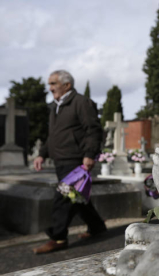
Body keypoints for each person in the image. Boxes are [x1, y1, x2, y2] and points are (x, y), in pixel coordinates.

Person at [32, 70, 106, 254]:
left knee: (63, 197)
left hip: (75, 159)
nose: (50, 88)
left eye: (53, 83)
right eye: (49, 84)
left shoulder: (81, 102)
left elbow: (93, 130)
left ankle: (58, 238)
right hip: (61, 159)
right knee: (76, 197)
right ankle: (96, 226)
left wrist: (89, 154)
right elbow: (53, 136)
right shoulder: (56, 106)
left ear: (67, 85)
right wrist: (42, 154)